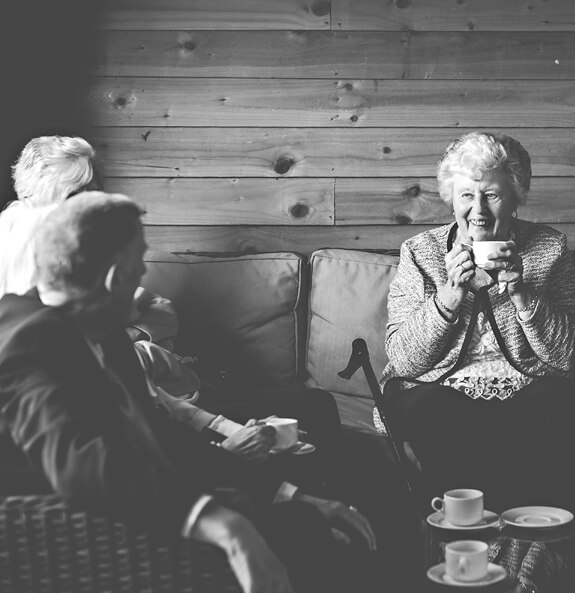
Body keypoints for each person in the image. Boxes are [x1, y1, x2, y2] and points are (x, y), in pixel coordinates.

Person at [0, 193, 378, 593]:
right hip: (61, 537)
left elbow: (159, 432)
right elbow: (80, 461)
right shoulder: (27, 340)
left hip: (137, 502)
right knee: (310, 539)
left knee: (313, 520)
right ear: (114, 279)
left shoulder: (100, 327)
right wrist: (225, 525)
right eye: (139, 260)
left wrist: (293, 493)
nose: (145, 270)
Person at [0, 136, 345, 477]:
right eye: (77, 196)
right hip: (165, 415)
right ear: (31, 197)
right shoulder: (33, 281)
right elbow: (123, 437)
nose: (94, 206)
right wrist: (223, 454)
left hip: (176, 396)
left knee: (310, 412)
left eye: (97, 192)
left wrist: (129, 331)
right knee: (308, 414)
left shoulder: (87, 262)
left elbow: (161, 313)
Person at [380, 131, 575, 510]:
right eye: (466, 195)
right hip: (440, 390)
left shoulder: (549, 248)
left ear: (514, 199)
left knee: (559, 401)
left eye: (491, 195)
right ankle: (468, 534)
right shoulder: (419, 254)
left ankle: (526, 538)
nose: (477, 210)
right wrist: (449, 295)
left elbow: (569, 356)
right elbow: (404, 359)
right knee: (438, 412)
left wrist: (523, 294)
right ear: (451, 199)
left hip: (527, 390)